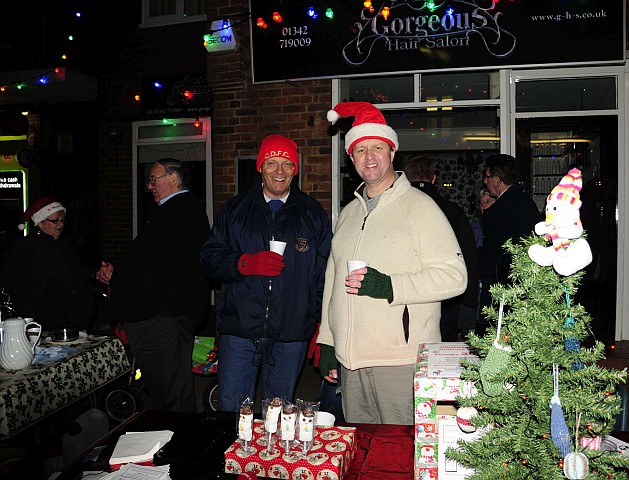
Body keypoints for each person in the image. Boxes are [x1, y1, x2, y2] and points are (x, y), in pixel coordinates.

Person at [319, 102, 467, 425]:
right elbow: (332, 282)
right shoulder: (348, 214)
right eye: (360, 150)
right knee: (364, 455)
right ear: (351, 158)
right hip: (351, 363)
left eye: (377, 148)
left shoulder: (420, 207)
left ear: (391, 152)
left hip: (400, 362)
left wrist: (389, 286)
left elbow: (456, 276)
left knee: (402, 456)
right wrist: (328, 342)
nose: (369, 157)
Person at [200, 134, 332, 412]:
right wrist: (244, 264)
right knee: (232, 409)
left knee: (279, 410)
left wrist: (322, 324)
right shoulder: (235, 210)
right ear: (260, 166)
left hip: (292, 331)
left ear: (296, 169)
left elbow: (324, 274)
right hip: (240, 329)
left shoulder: (312, 213)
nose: (280, 171)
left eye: (287, 164)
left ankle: (272, 456)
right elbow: (209, 259)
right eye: (272, 163)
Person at [95, 158, 210, 413]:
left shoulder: (181, 211)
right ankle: (180, 442)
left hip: (158, 319)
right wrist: (117, 270)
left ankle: (170, 443)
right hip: (163, 316)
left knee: (166, 393)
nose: (149, 186)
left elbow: (170, 270)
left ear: (173, 179)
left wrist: (161, 311)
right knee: (175, 391)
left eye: (153, 180)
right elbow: (150, 260)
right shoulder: (175, 211)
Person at [403, 154, 480, 341]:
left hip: (405, 295)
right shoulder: (453, 211)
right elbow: (468, 258)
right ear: (434, 178)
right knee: (442, 358)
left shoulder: (395, 210)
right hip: (446, 297)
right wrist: (469, 303)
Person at [2, 197, 95, 332]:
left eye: (62, 221)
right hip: (43, 320)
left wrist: (94, 273)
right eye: (55, 221)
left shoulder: (63, 244)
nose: (60, 225)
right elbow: (18, 284)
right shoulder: (27, 246)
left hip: (70, 319)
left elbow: (76, 273)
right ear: (40, 222)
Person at [477, 154, 540, 322]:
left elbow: (495, 252)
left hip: (505, 285)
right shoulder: (523, 201)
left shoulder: (503, 207)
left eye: (488, 177)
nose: (485, 181)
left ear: (497, 180)